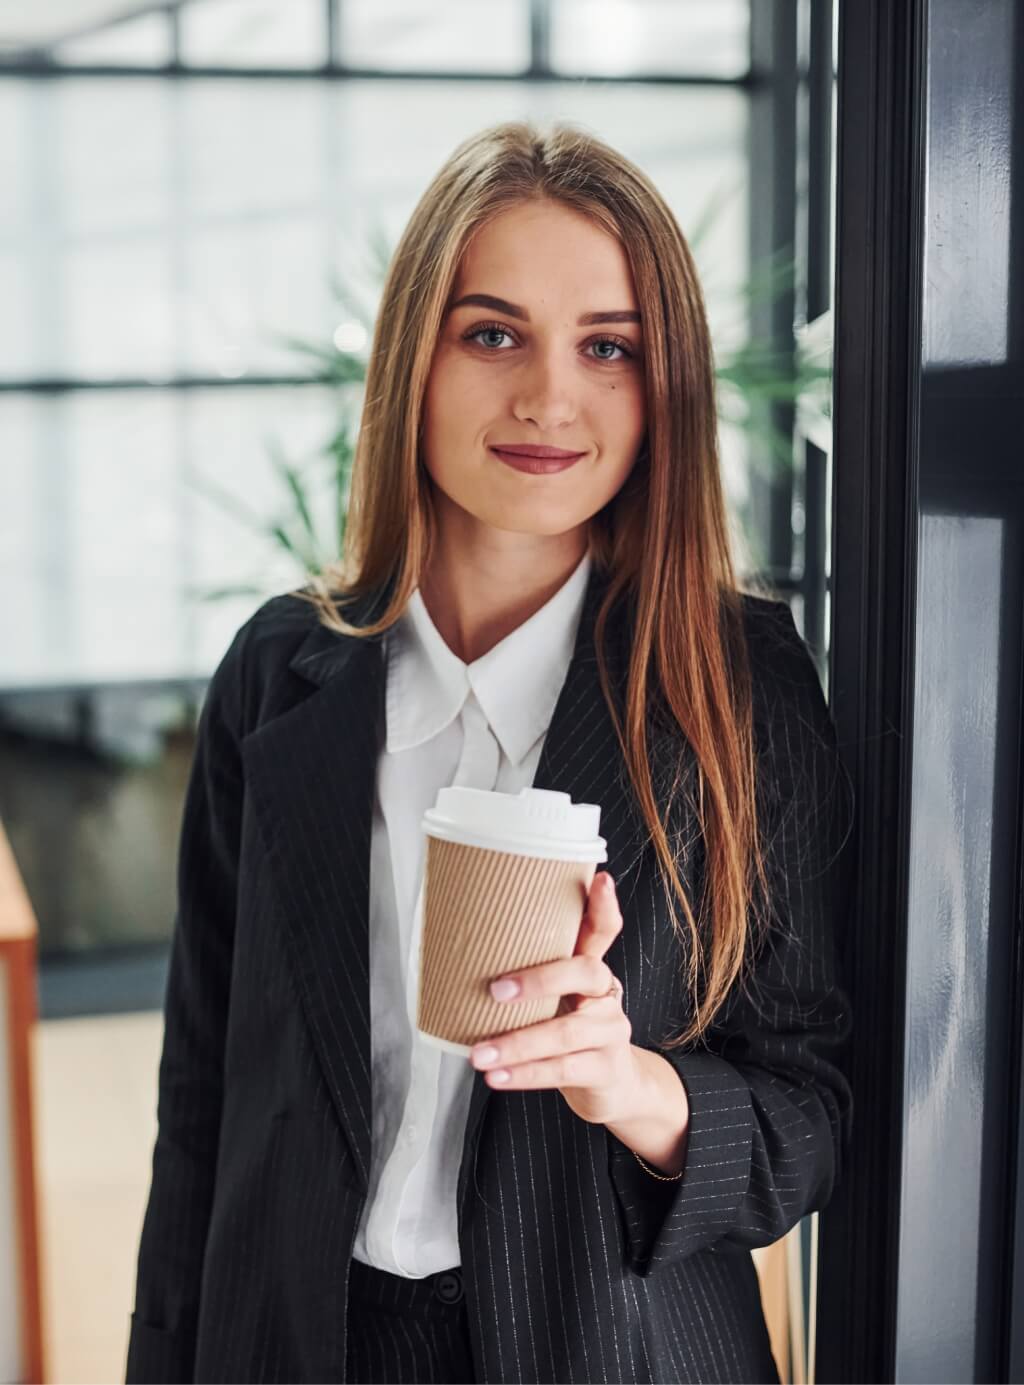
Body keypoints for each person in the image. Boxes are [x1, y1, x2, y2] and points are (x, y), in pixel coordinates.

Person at [125, 120, 854, 1385]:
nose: (548, 398)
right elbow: (202, 1096)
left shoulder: (737, 686)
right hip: (299, 1340)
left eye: (608, 346)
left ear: (664, 386)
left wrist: (628, 1082)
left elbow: (810, 1112)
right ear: (416, 354)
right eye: (493, 333)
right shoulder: (279, 672)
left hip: (610, 1349)